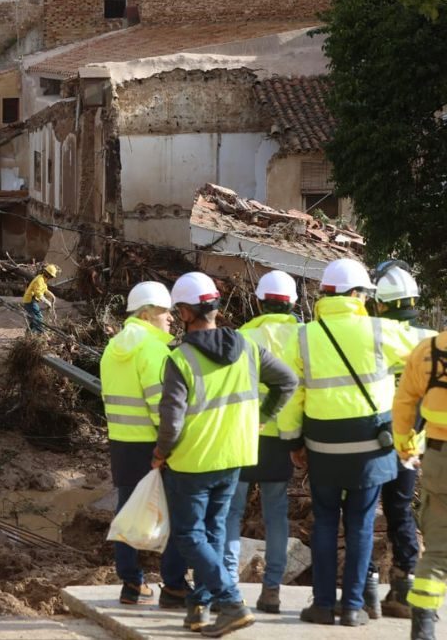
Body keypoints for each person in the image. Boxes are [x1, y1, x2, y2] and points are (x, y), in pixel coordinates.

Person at [153, 272, 297, 636]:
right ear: (215, 307)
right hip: (234, 456)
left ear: (184, 313)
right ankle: (199, 608)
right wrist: (261, 419)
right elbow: (287, 381)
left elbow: (171, 422)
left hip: (193, 461)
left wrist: (160, 453)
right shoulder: (246, 347)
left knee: (188, 535)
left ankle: (230, 601)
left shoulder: (181, 358)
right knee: (213, 533)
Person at [285, 258, 410, 627]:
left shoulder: (305, 336)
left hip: (323, 447)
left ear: (326, 294)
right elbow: (426, 349)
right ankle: (353, 607)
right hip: (370, 448)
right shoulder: (379, 330)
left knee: (324, 522)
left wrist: (294, 441)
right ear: (358, 295)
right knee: (360, 525)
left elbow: (294, 395)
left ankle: (323, 605)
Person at [99, 281, 191, 607]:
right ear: (149, 313)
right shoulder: (153, 350)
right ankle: (174, 585)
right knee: (173, 512)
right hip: (151, 447)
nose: (171, 318)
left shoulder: (114, 347)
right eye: (166, 311)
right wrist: (169, 447)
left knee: (128, 511)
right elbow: (161, 407)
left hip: (121, 443)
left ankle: (131, 583)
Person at [223, 271, 303, 614]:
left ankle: (227, 588)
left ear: (258, 301)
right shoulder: (304, 336)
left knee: (231, 514)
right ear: (294, 304)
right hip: (282, 440)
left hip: (241, 435)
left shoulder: (241, 335)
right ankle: (271, 590)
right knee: (276, 516)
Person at [369, 261, 439, 618]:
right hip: (412, 442)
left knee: (360, 509)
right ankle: (403, 586)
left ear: (379, 302)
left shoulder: (371, 333)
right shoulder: (428, 340)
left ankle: (363, 589)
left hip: (368, 436)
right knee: (400, 511)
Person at [394, 329, 447, 640]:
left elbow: (404, 403)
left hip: (439, 458)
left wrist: (406, 447)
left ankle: (423, 628)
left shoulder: (427, 349)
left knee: (438, 549)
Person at [22, 263, 59, 335]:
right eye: (51, 276)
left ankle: (29, 334)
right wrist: (47, 302)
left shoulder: (43, 280)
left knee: (33, 318)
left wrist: (52, 296)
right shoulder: (39, 280)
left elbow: (45, 290)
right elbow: (38, 293)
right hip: (29, 301)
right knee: (39, 317)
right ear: (48, 274)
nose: (50, 278)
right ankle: (40, 333)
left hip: (32, 301)